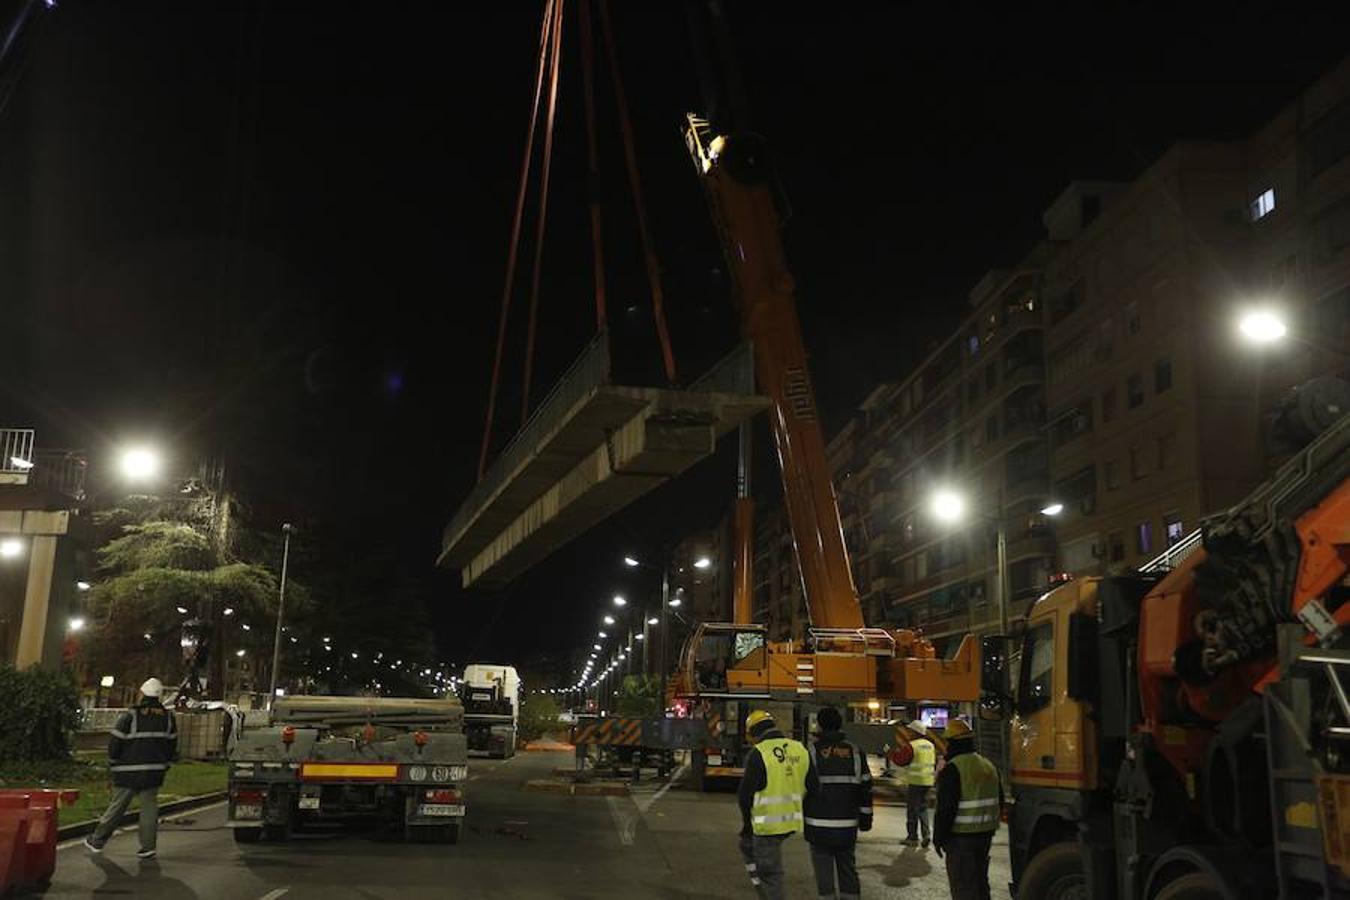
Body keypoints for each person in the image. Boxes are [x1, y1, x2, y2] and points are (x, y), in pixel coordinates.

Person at [83, 677, 178, 859]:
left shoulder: (130, 715)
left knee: (117, 807)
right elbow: (172, 744)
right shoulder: (168, 717)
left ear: (142, 694)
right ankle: (148, 847)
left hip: (127, 771)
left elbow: (115, 743)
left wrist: (112, 761)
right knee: (149, 808)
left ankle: (97, 840)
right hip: (153, 771)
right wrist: (165, 763)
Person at [737, 709, 814, 899]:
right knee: (748, 849)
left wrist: (747, 825)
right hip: (792, 822)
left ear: (753, 732)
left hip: (767, 826)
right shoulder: (799, 749)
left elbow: (744, 796)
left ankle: (766, 894)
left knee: (770, 875)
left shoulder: (759, 753)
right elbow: (814, 787)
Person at [803, 706, 871, 900]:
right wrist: (866, 819)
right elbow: (866, 788)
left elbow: (804, 788)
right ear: (840, 725)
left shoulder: (811, 752)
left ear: (821, 725)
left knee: (823, 872)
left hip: (818, 826)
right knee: (848, 869)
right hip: (847, 826)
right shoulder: (856, 752)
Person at [933, 719, 1002, 900]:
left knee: (964, 887)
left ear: (953, 742)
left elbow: (946, 809)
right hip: (985, 835)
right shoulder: (988, 765)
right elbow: (999, 800)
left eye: (948, 742)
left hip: (961, 839)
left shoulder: (954, 768)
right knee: (980, 884)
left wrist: (939, 838)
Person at [901, 729, 936, 848]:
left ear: (915, 733)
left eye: (910, 732)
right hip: (928, 781)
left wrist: (889, 752)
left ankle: (912, 837)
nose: (908, 733)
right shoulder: (930, 745)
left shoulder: (912, 746)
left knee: (912, 810)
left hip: (915, 782)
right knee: (923, 808)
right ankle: (926, 835)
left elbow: (901, 760)